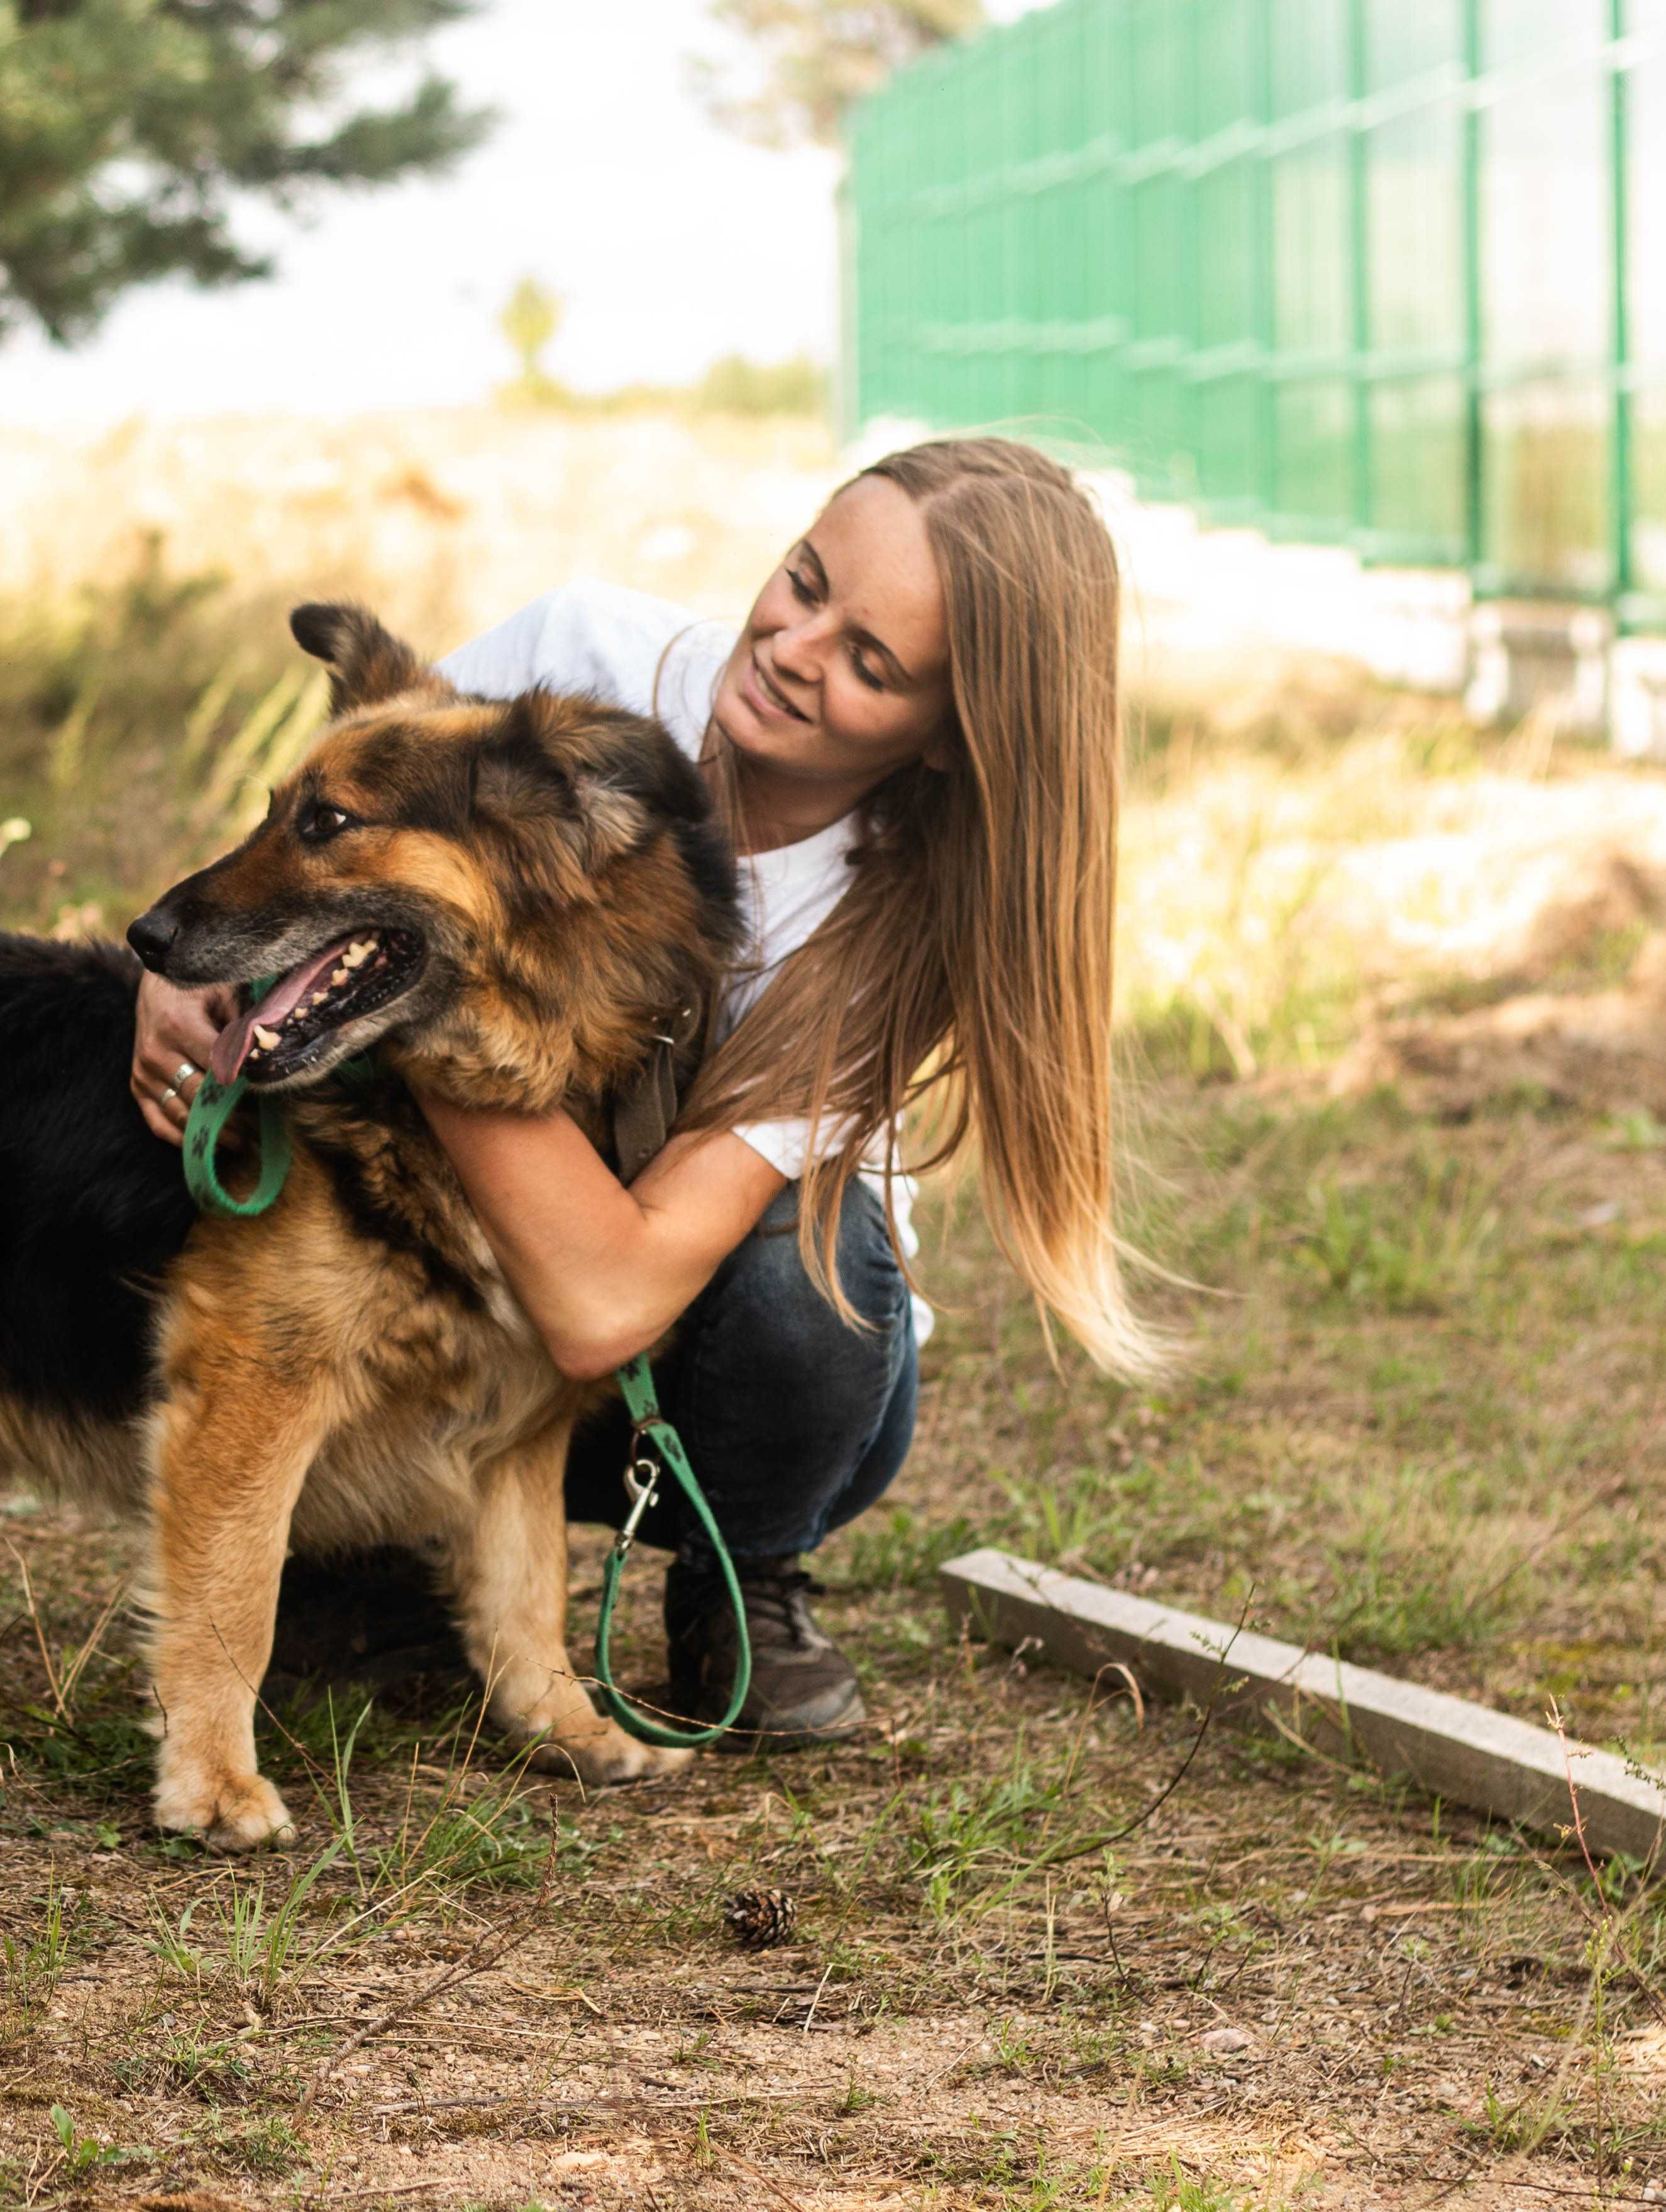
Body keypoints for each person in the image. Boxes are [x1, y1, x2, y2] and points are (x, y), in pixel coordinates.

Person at [130, 436, 1168, 1741]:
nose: (794, 647)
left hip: (732, 1369)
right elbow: (343, 843)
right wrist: (204, 974)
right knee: (316, 1165)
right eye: (805, 583)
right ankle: (376, 1540)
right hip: (483, 1277)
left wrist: (423, 994)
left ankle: (744, 1565)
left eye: (871, 662)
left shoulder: (893, 928)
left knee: (813, 1268)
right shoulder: (584, 657)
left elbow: (605, 1303)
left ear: (952, 739)